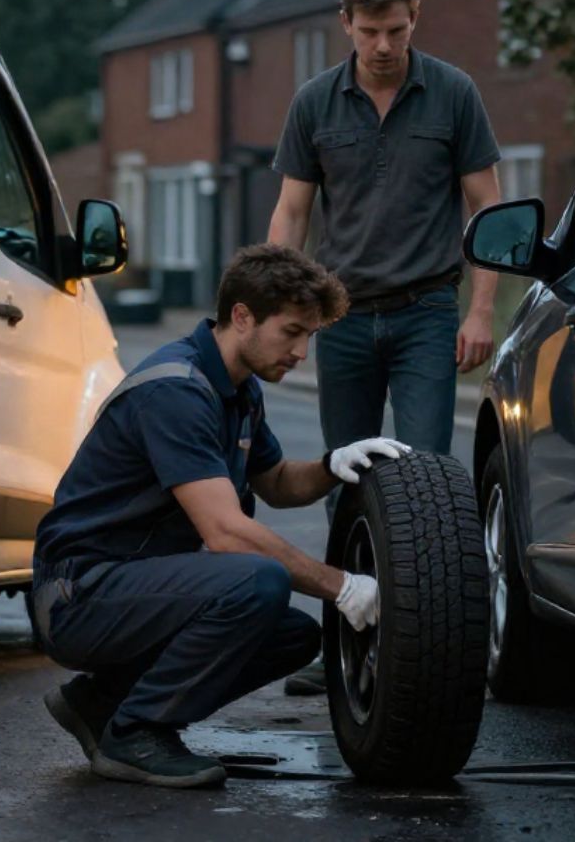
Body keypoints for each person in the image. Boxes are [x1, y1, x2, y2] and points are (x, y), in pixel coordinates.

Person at [29, 244, 409, 788]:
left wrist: (333, 464)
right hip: (79, 593)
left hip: (127, 584)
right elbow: (227, 533)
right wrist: (343, 587)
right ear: (242, 316)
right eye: (292, 332)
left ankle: (100, 703)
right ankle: (136, 732)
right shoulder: (177, 390)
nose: (302, 351)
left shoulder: (236, 388)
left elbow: (276, 482)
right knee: (255, 581)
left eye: (310, 336)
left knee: (289, 635)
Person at [265, 0, 503, 695]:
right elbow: (293, 213)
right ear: (346, 26)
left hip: (428, 312)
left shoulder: (454, 96)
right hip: (341, 316)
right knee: (343, 474)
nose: (382, 45)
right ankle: (347, 636)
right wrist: (281, 312)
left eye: (395, 30)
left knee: (424, 478)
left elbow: (487, 212)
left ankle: (421, 645)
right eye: (369, 31)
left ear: (415, 18)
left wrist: (483, 309)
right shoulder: (314, 104)